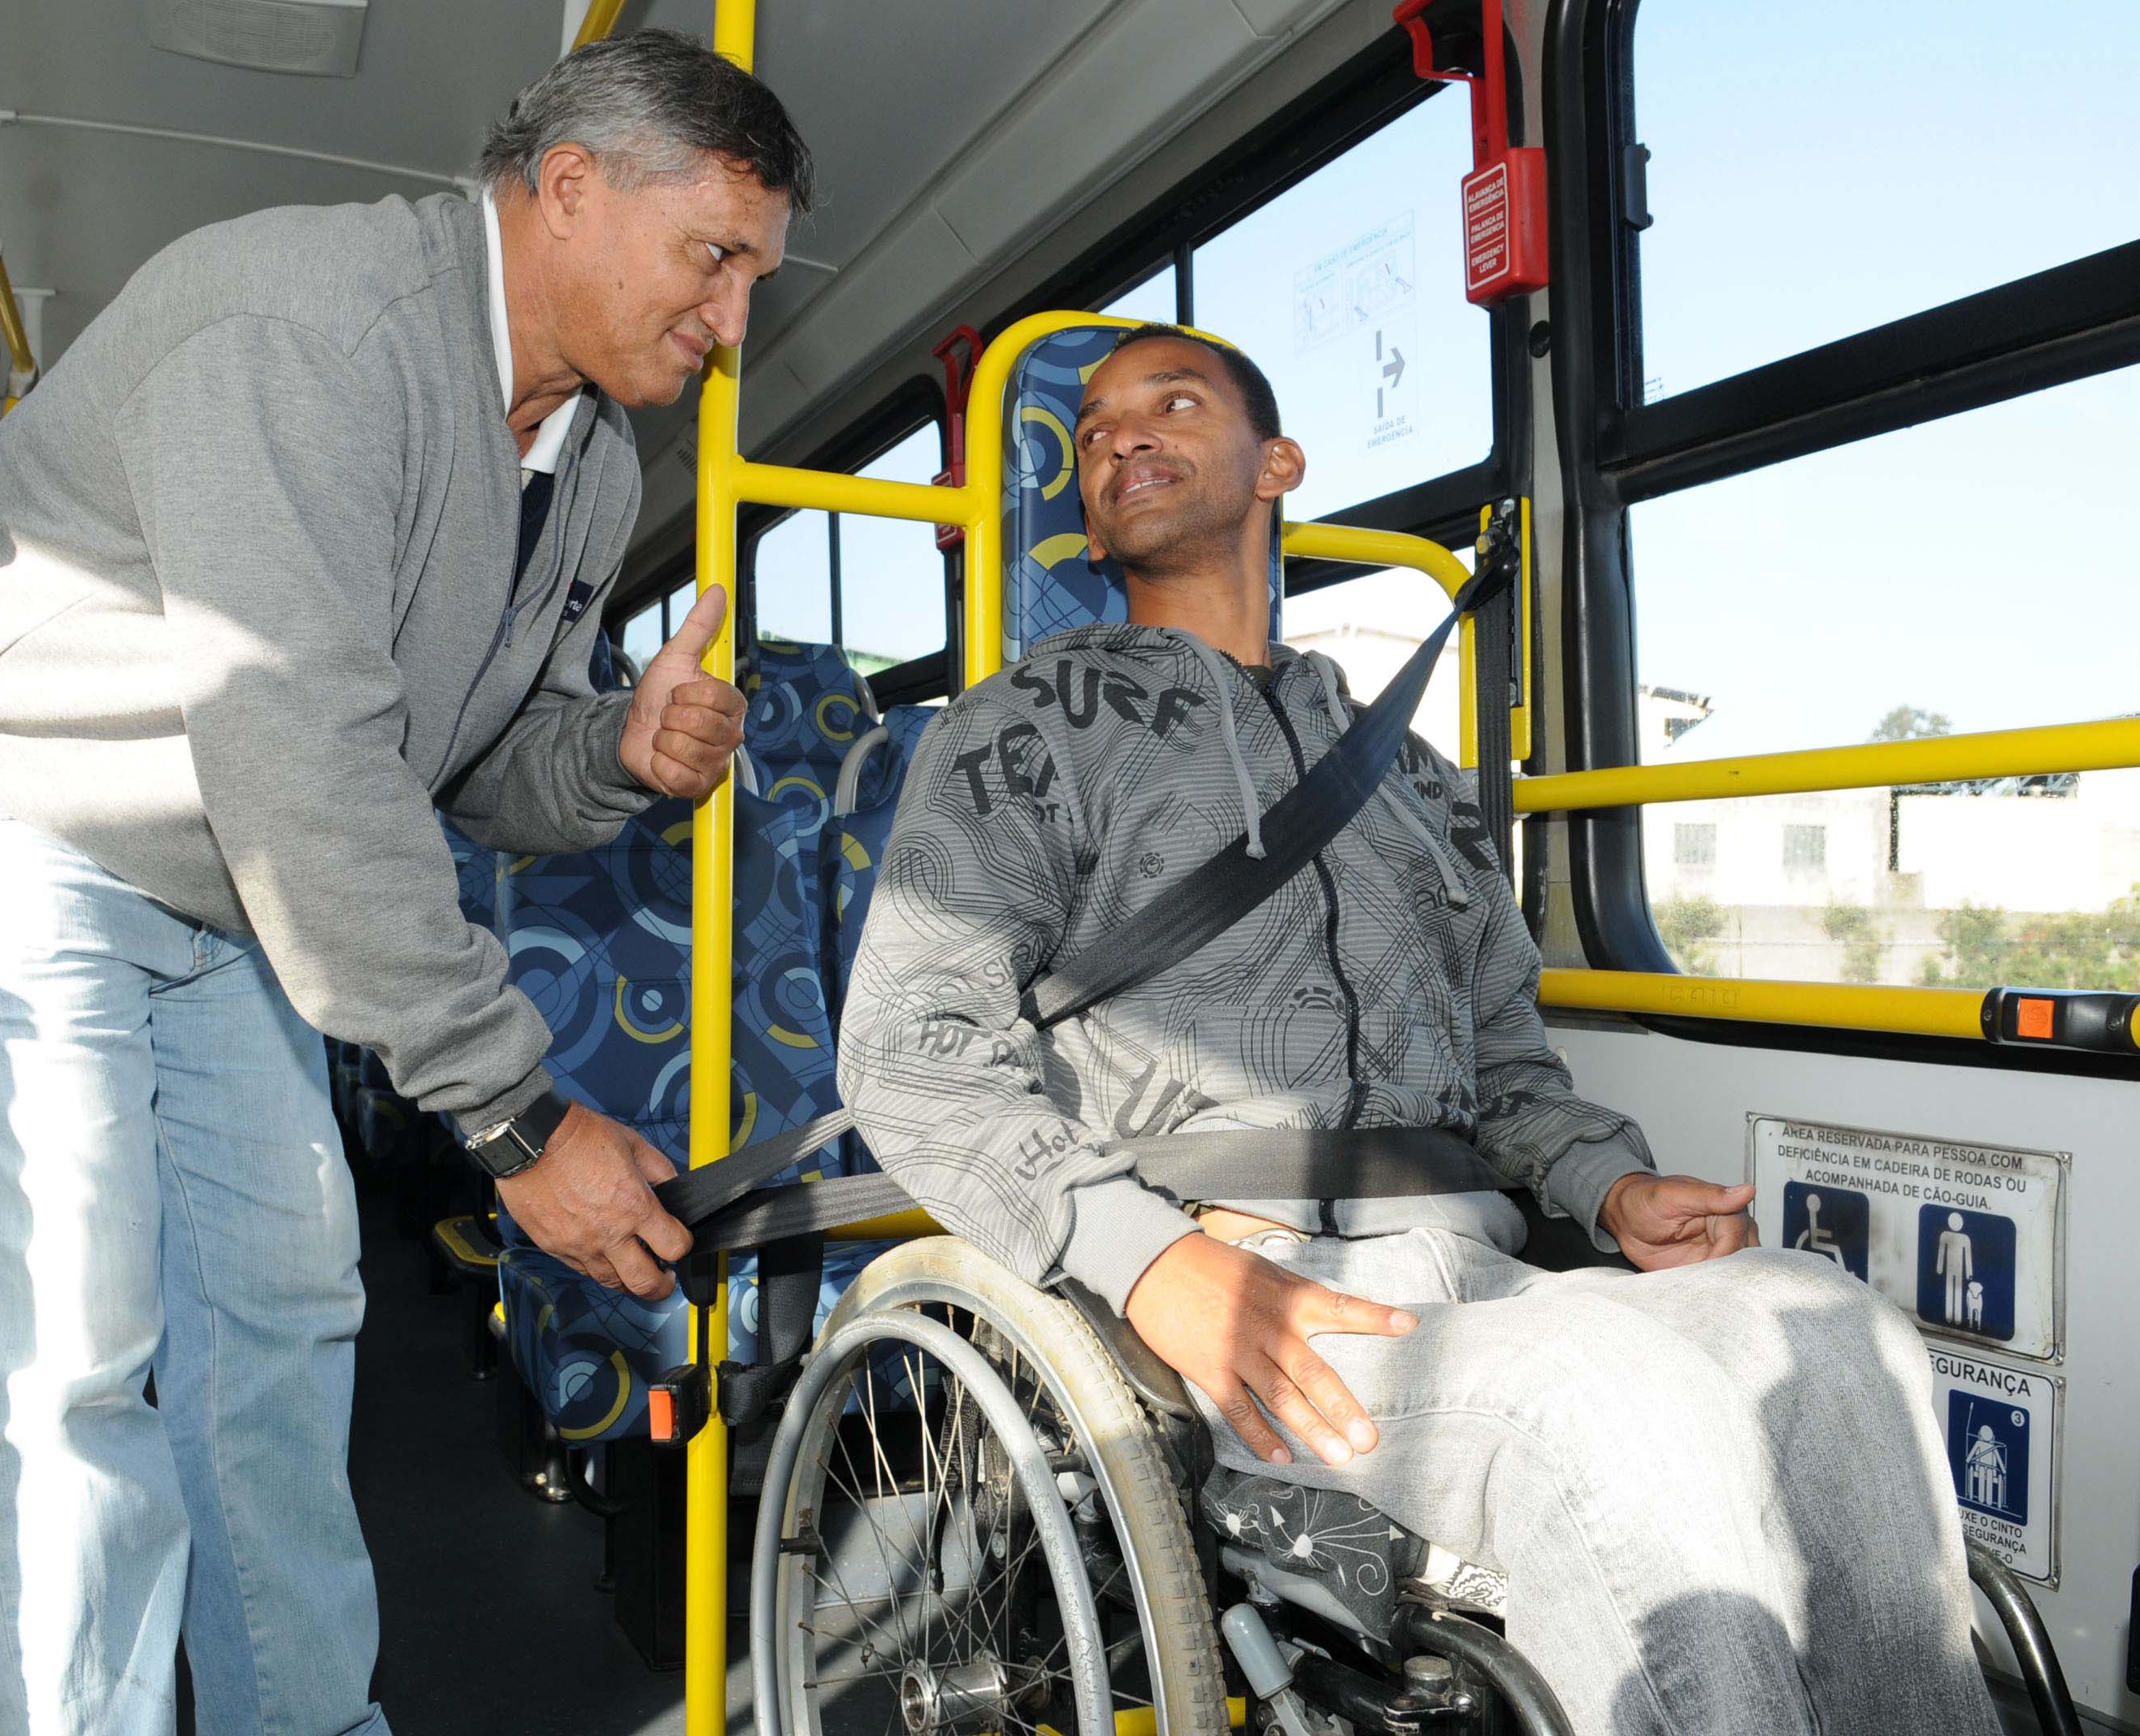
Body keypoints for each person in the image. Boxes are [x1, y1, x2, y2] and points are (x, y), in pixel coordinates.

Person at [0, 31, 808, 1736]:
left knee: (279, 1316)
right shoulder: (305, 332)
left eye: (757, 277)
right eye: (714, 259)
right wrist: (512, 1119)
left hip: (210, 880)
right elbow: (305, 753)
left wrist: (617, 759)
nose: (733, 321)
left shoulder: (593, 469)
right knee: (66, 1365)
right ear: (569, 190)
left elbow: (464, 769)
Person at [837, 326, 1997, 1735]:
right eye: (1091, 432)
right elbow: (909, 1046)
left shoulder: (1415, 781)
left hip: (1484, 1269)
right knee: (1615, 1396)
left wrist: (1606, 1185)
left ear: (1280, 466)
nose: (1119, 438)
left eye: (1173, 405)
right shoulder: (1028, 729)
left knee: (1840, 1330)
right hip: (1239, 1280)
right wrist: (1152, 1265)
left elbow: (1507, 1065)